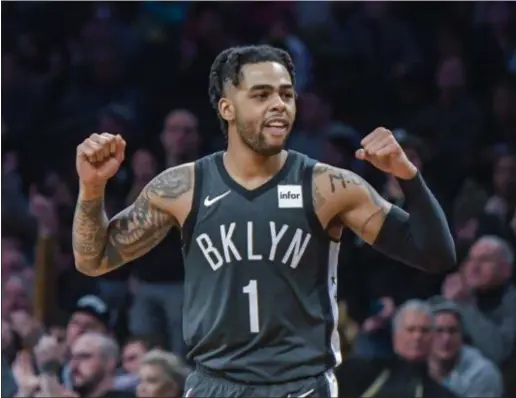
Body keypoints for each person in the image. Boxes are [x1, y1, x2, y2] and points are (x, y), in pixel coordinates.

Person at [72, 45, 455, 397]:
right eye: (261, 95)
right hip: (214, 384)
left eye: (286, 94)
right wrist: (91, 188)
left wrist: (409, 178)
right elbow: (94, 259)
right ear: (227, 108)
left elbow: (434, 254)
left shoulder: (328, 186)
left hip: (301, 385)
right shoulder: (182, 186)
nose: (279, 105)